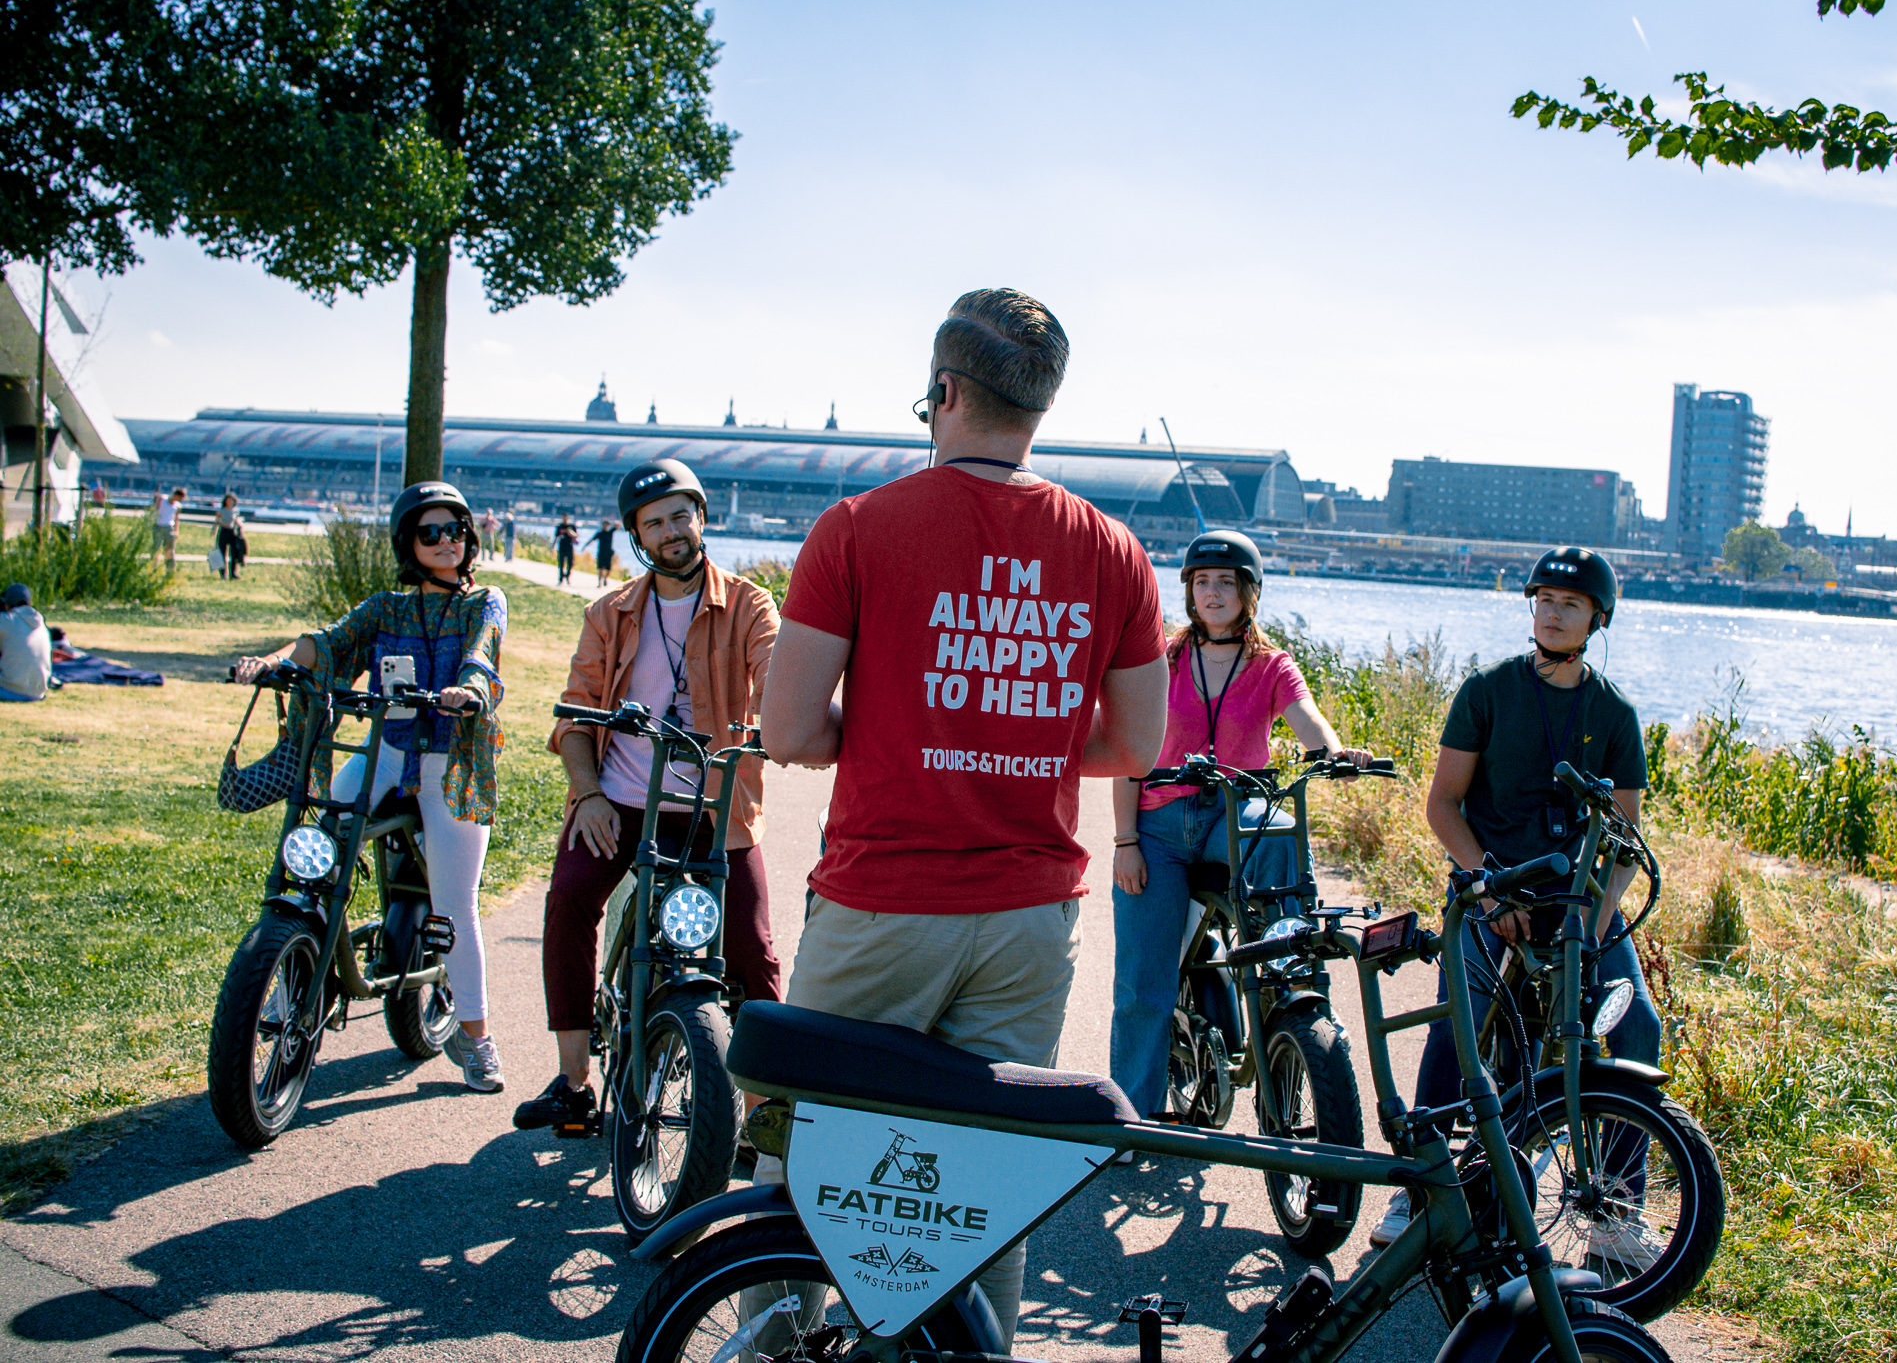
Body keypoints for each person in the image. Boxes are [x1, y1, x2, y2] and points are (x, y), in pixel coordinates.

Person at [758, 288, 1169, 1348]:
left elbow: (791, 730)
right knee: (984, 1182)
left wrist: (906, 723)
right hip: (1029, 918)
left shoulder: (854, 527)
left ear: (942, 392)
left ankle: (765, 1344)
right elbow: (1133, 747)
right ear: (1038, 408)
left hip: (879, 902)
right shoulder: (1113, 550)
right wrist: (1015, 739)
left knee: (805, 1154)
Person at [1370, 546, 1659, 1256]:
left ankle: (1617, 1212)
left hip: (1579, 899)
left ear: (1597, 617)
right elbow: (1442, 806)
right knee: (1457, 1027)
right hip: (1487, 887)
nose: (1555, 613)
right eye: (1545, 601)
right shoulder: (1488, 691)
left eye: (1571, 604)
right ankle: (1419, 1195)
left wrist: (1593, 922)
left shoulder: (1615, 713)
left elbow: (1625, 840)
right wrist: (1485, 886)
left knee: (1639, 1029)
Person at [514, 460, 783, 1134]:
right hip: (620, 802)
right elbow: (575, 715)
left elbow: (774, 674)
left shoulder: (750, 604)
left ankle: (765, 1113)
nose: (671, 532)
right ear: (637, 534)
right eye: (654, 522)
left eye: (680, 516)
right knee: (569, 903)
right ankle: (573, 1082)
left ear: (702, 517)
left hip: (714, 812)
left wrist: (780, 719)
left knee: (751, 951)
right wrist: (589, 794)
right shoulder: (610, 613)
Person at [231, 482, 509, 1093]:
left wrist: (468, 690)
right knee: (319, 844)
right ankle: (293, 968)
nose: (446, 541)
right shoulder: (385, 608)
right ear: (409, 543)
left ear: (470, 538)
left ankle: (477, 1038)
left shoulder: (484, 601)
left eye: (456, 529)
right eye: (429, 532)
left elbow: (482, 654)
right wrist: (272, 662)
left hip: (454, 760)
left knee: (453, 901)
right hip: (387, 748)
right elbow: (326, 644)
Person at [1109, 529, 1372, 1126]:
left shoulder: (1270, 664)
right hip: (1158, 821)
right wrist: (1126, 841)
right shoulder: (1161, 658)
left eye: (1226, 582)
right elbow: (1129, 751)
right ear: (1188, 593)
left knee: (1278, 831)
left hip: (1238, 813)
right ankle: (1128, 1123)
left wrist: (1335, 753)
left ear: (1249, 593)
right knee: (1142, 984)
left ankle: (1290, 988)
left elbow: (1309, 721)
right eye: (1202, 582)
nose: (1213, 593)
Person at [0, 584, 53, 702]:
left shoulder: (6, 620)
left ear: (7, 603)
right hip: (38, 693)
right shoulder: (40, 624)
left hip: (11, 690)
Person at [151, 487, 186, 572]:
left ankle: (170, 570)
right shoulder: (163, 499)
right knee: (156, 549)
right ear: (176, 495)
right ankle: (153, 569)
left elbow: (176, 518)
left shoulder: (177, 506)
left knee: (169, 550)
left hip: (169, 528)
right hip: (158, 526)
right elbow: (155, 508)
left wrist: (176, 531)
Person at [214, 492, 246, 580]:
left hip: (232, 532)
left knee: (234, 553)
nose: (229, 502)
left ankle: (233, 573)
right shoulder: (221, 510)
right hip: (223, 531)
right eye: (228, 500)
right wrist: (214, 530)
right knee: (222, 554)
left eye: (231, 501)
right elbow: (217, 521)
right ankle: (223, 574)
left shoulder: (235, 510)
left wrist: (240, 526)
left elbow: (236, 519)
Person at [585, 518, 617, 587]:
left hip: (608, 553)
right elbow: (592, 540)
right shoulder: (599, 533)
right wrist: (585, 546)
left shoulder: (610, 532)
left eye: (606, 525)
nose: (605, 526)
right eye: (604, 525)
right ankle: (600, 582)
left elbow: (618, 525)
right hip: (601, 552)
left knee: (608, 569)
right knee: (600, 568)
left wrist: (611, 523)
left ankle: (605, 578)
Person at [552, 515, 579, 585]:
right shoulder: (559, 527)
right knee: (561, 563)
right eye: (563, 518)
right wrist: (553, 547)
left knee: (570, 563)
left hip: (570, 547)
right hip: (562, 547)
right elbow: (556, 537)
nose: (565, 519)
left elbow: (576, 535)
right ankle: (561, 579)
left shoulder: (572, 526)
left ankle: (567, 576)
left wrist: (570, 533)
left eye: (566, 518)